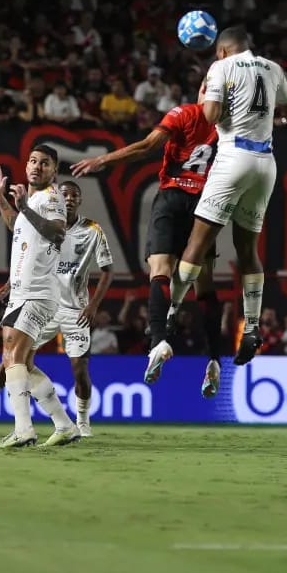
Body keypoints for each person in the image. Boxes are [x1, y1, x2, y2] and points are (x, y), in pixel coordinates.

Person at [155, 25, 287, 381]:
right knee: (247, 249)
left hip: (233, 158)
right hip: (266, 163)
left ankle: (169, 314)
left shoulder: (221, 68)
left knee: (198, 244)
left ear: (222, 51)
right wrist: (269, 118)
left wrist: (208, 95)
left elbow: (211, 115)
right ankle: (251, 326)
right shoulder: (272, 67)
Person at [71, 83, 225, 396]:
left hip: (171, 198)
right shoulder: (231, 126)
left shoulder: (183, 113)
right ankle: (214, 359)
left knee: (159, 270)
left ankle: (158, 342)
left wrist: (103, 161)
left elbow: (146, 147)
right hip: (205, 204)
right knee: (205, 284)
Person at [0, 179, 113, 442]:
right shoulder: (45, 224)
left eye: (75, 195)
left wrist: (93, 305)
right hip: (45, 303)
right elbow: (30, 257)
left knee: (77, 369)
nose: (70, 199)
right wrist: (10, 283)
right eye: (66, 195)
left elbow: (107, 270)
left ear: (80, 200)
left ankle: (79, 423)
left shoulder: (92, 230)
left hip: (74, 309)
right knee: (15, 359)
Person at [0, 146, 80, 448]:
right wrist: (0, 198)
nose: (37, 167)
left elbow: (56, 233)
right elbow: (18, 225)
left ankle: (23, 429)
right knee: (18, 360)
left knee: (13, 357)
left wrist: (24, 205)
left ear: (54, 170)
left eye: (45, 163)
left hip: (37, 291)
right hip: (25, 289)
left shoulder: (51, 198)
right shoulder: (36, 200)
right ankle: (64, 425)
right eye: (33, 161)